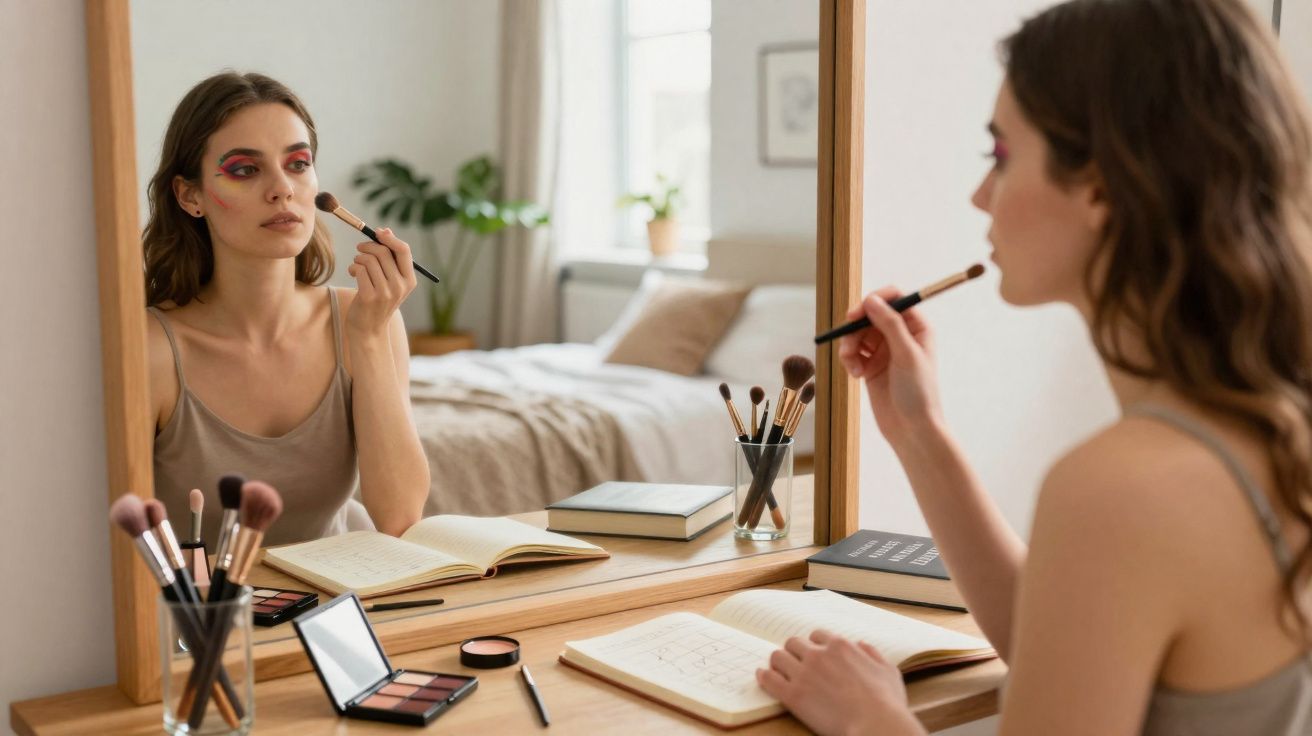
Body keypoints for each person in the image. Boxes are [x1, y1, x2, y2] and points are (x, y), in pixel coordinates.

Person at [758, 0, 1312, 733]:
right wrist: (919, 433)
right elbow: (1070, 649)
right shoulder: (1259, 430)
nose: (979, 195)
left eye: (1000, 155)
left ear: (1100, 187)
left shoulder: (1122, 488)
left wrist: (873, 720)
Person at [143, 72, 429, 546]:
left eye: (298, 164)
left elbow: (400, 518)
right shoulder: (151, 349)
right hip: (205, 596)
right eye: (245, 170)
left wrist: (369, 336)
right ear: (190, 196)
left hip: (338, 589)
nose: (282, 189)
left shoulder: (364, 319)